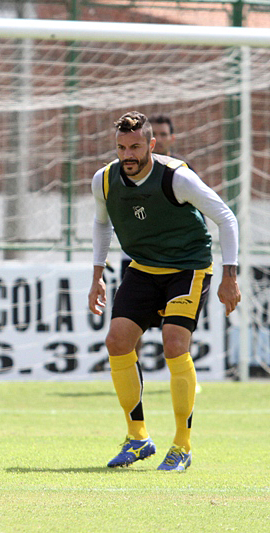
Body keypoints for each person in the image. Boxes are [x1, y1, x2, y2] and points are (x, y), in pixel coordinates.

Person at [88, 111, 240, 472]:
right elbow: (100, 224)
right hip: (143, 268)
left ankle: (182, 447)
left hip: (187, 268)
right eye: (122, 147)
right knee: (117, 342)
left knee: (174, 344)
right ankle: (137, 437)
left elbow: (226, 218)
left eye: (136, 147)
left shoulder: (177, 178)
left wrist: (229, 276)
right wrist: (96, 276)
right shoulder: (105, 180)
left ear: (152, 145)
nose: (128, 155)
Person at [120, 114, 186, 355]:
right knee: (131, 323)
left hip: (176, 260)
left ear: (169, 139)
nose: (159, 138)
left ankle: (183, 375)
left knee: (178, 325)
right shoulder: (128, 171)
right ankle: (134, 373)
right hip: (138, 258)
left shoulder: (182, 172)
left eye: (164, 134)